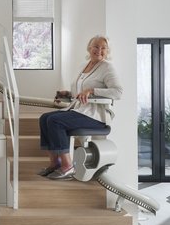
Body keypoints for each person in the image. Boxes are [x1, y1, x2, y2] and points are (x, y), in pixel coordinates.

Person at [38, 35, 123, 180]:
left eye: (103, 48)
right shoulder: (84, 66)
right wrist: (66, 94)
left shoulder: (107, 67)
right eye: (96, 46)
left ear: (108, 51)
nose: (99, 50)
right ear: (89, 48)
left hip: (95, 116)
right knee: (45, 118)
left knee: (55, 121)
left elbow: (118, 92)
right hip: (80, 110)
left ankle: (67, 166)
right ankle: (55, 163)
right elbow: (80, 92)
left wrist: (92, 91)